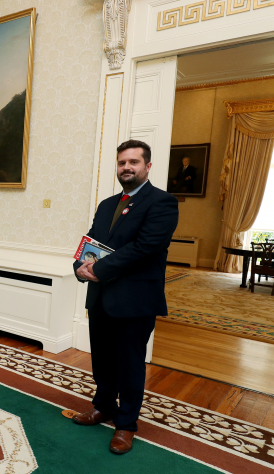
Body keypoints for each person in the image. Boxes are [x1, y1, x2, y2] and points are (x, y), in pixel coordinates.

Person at [72, 140, 179, 454]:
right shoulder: (107, 204)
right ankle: (103, 406)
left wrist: (99, 269)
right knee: (103, 360)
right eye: (122, 163)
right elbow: (91, 242)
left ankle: (126, 424)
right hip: (102, 297)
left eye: (133, 162)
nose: (127, 168)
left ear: (147, 166)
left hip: (134, 300)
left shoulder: (163, 202)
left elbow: (145, 248)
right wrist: (79, 266)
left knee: (130, 364)